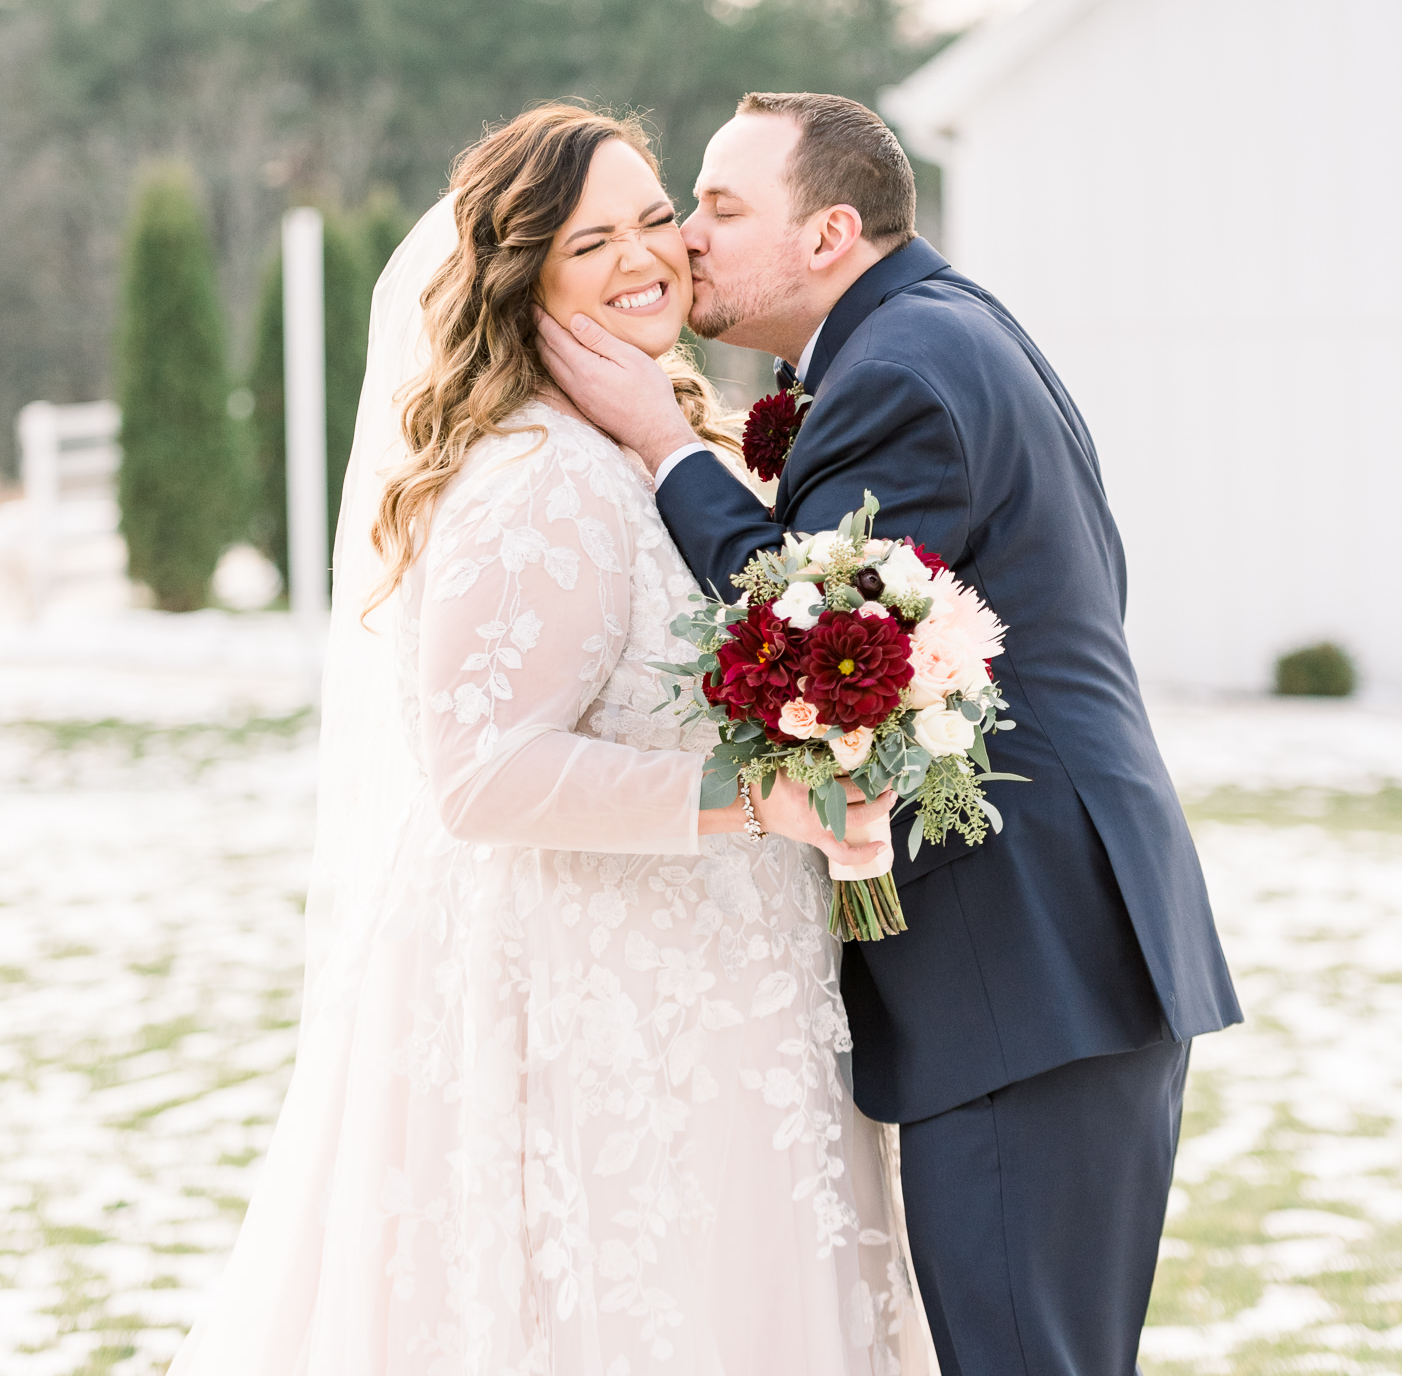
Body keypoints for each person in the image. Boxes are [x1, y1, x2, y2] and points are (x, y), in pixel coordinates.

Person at [170, 101, 926, 1376]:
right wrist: (758, 800)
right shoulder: (535, 473)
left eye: (653, 222)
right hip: (599, 1004)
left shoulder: (638, 448)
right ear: (524, 276)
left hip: (709, 990)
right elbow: (481, 774)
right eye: (594, 243)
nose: (646, 258)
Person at [538, 90, 1242, 1376]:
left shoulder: (901, 373)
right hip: (1068, 952)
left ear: (830, 233)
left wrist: (660, 445)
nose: (687, 237)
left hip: (1022, 963)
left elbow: (815, 642)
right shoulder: (941, 331)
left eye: (719, 205)